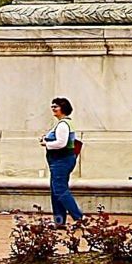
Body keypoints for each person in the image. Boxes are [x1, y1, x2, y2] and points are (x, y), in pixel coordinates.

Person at [40, 97, 83, 227]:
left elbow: (61, 143)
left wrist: (46, 143)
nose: (53, 108)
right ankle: (59, 221)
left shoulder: (63, 125)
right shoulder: (63, 124)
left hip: (61, 160)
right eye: (52, 106)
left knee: (60, 189)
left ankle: (79, 218)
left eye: (56, 106)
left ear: (63, 108)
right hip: (59, 160)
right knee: (55, 190)